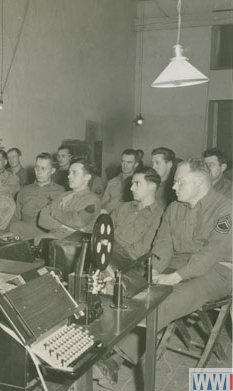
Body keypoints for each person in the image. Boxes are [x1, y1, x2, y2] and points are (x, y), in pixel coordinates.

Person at [94, 159, 232, 389]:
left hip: (218, 270)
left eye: (179, 182)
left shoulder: (226, 209)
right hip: (178, 263)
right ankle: (103, 346)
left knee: (165, 300)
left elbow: (212, 252)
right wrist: (154, 271)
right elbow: (164, 244)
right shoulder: (174, 207)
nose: (173, 187)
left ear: (199, 181)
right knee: (131, 287)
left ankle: (114, 361)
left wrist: (175, 277)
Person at [36, 157, 101, 243]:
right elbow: (42, 218)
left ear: (87, 177)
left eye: (74, 173)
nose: (69, 176)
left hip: (74, 245)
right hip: (51, 239)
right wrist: (65, 226)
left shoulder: (92, 200)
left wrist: (54, 212)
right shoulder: (63, 195)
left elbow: (78, 221)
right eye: (69, 172)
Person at [110, 166, 163, 263]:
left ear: (152, 186)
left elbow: (141, 250)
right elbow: (105, 231)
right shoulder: (122, 207)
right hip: (108, 255)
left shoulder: (159, 217)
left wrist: (111, 250)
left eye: (137, 184)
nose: (131, 188)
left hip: (129, 263)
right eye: (132, 184)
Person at [9, 153, 64, 239]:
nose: (39, 172)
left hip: (47, 234)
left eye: (43, 168)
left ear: (52, 171)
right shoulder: (24, 190)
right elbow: (16, 217)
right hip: (22, 233)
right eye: (37, 167)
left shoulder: (60, 192)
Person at [101, 149, 138, 213]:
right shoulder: (112, 182)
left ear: (136, 164)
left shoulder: (139, 183)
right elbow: (103, 203)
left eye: (129, 162)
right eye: (123, 161)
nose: (125, 165)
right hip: (109, 216)